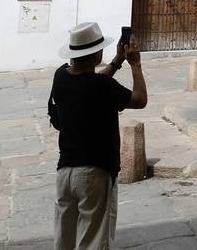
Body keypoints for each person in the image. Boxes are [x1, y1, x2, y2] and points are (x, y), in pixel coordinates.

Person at [47, 23, 147, 250]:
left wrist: (116, 63)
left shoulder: (61, 76)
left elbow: (89, 82)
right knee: (93, 240)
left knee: (64, 239)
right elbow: (140, 99)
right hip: (94, 172)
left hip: (65, 173)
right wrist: (135, 64)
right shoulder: (103, 86)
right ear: (95, 54)